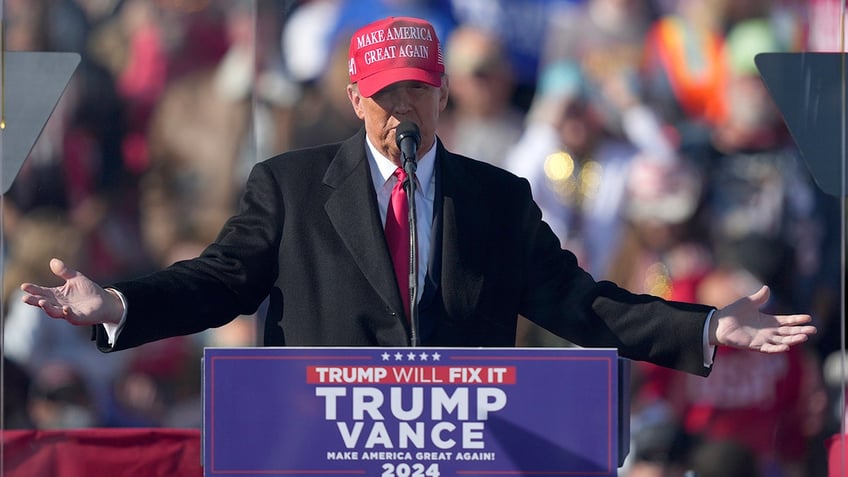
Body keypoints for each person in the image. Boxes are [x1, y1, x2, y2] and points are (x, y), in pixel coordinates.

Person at [20, 16, 814, 379]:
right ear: (355, 98)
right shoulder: (290, 187)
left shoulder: (496, 200)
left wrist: (706, 324)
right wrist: (117, 303)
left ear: (444, 99)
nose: (405, 109)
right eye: (388, 94)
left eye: (419, 93)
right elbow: (219, 279)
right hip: (322, 447)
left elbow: (582, 304)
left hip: (457, 450)